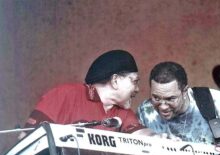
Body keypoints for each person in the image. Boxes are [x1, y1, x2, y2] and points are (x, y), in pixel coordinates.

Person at [21, 49, 154, 137]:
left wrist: (160, 138)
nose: (137, 89)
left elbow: (141, 135)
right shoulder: (63, 95)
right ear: (115, 80)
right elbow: (26, 140)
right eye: (134, 81)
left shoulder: (124, 113)